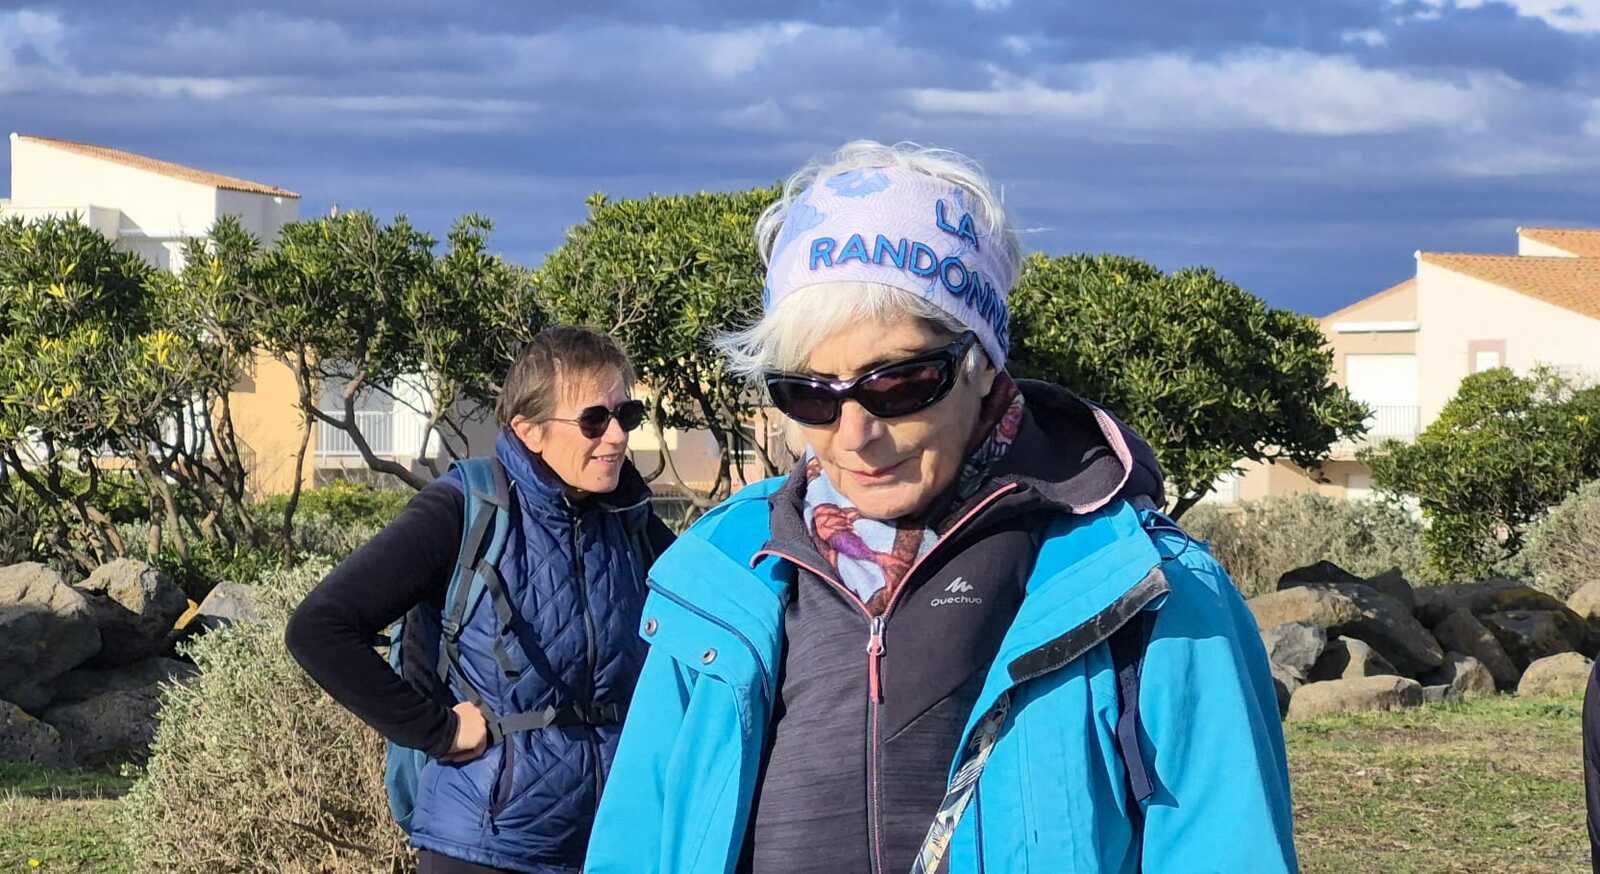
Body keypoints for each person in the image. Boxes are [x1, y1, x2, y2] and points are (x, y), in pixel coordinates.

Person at [586, 141, 1298, 873]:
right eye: (808, 393)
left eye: (897, 383)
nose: (855, 435)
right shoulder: (718, 573)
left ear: (981, 362)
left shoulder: (1151, 586)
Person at [286, 326, 673, 874]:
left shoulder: (631, 521)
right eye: (593, 420)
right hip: (483, 845)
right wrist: (437, 730)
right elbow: (318, 629)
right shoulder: (466, 507)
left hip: (613, 845)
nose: (616, 436)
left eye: (626, 415)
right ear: (529, 431)